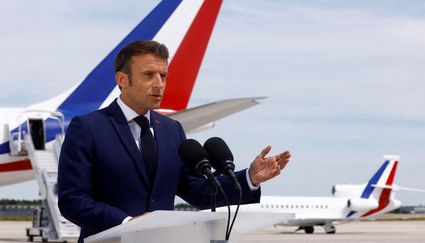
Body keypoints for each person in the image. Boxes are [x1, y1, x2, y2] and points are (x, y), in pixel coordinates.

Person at [57, 40, 291, 242]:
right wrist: (128, 223)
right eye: (148, 75)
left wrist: (249, 178)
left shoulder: (172, 130)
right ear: (122, 79)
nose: (159, 83)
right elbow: (72, 201)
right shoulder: (88, 128)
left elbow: (199, 192)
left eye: (163, 76)